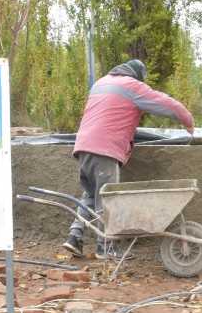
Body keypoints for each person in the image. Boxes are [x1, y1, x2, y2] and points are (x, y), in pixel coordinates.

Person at [63, 59, 195, 259]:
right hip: (104, 149)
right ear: (138, 75)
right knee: (107, 200)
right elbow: (163, 102)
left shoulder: (101, 83)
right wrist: (188, 120)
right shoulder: (132, 86)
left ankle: (74, 236)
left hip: (83, 146)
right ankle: (105, 248)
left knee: (90, 195)